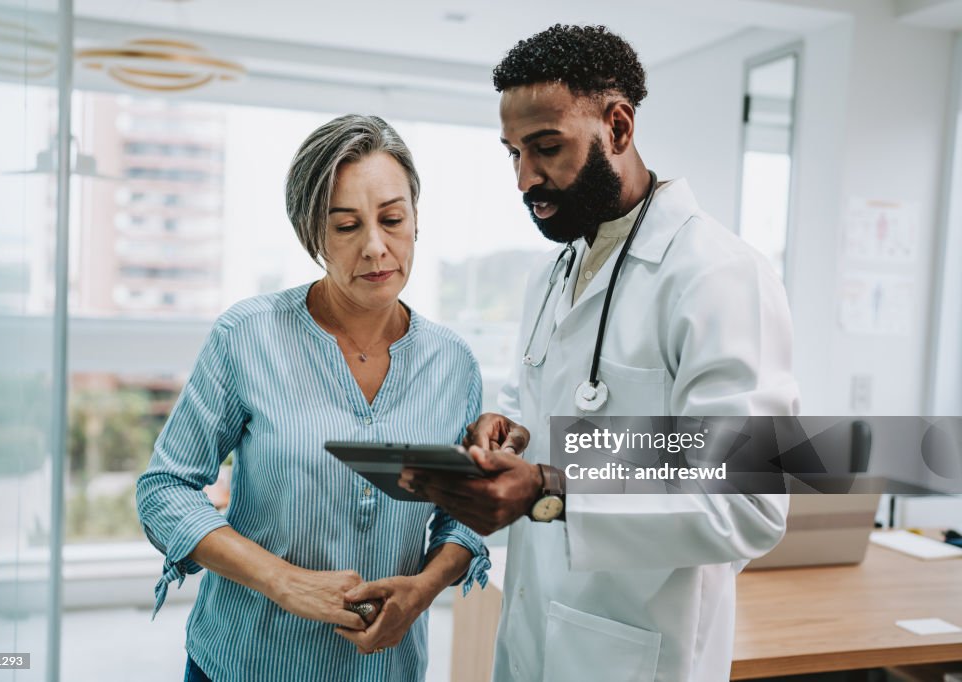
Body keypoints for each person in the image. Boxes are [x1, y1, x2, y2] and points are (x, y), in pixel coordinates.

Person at [399, 25, 800, 682]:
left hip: (641, 652)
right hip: (533, 634)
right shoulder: (553, 274)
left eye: (547, 147)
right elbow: (538, 412)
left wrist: (552, 490)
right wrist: (504, 437)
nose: (526, 177)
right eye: (513, 154)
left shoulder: (719, 276)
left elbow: (747, 503)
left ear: (617, 127)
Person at [136, 114, 489, 682]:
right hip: (244, 663)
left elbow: (466, 515)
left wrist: (423, 590)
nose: (377, 247)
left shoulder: (454, 364)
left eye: (393, 219)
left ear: (416, 221)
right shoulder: (247, 336)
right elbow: (164, 490)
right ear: (311, 235)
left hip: (387, 670)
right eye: (346, 226)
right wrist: (282, 579)